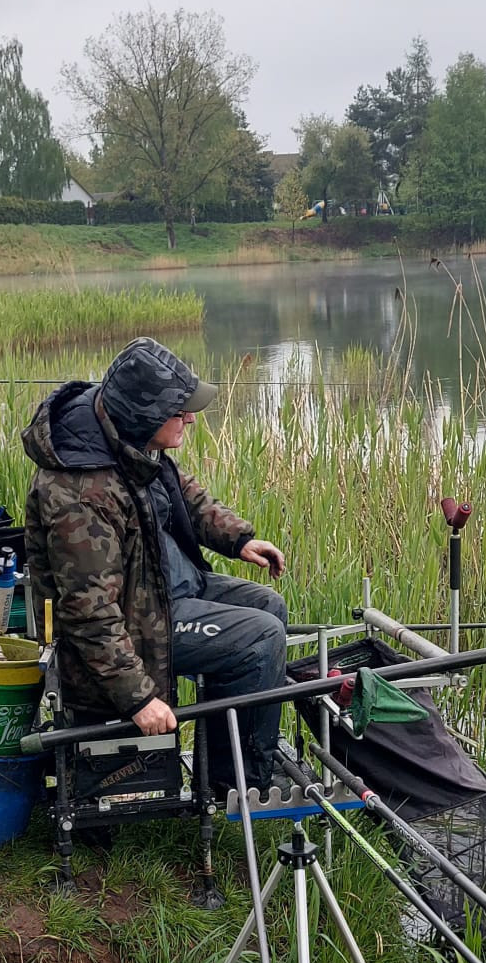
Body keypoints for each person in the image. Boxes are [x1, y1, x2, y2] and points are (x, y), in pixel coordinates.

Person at [23, 338, 290, 790]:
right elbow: (88, 612)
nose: (190, 418)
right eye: (179, 412)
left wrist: (239, 538)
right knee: (261, 637)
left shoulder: (128, 439)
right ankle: (236, 785)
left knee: (270, 606)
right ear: (145, 416)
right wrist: (138, 698)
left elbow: (180, 489)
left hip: (161, 589)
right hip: (134, 623)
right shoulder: (83, 494)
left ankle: (241, 760)